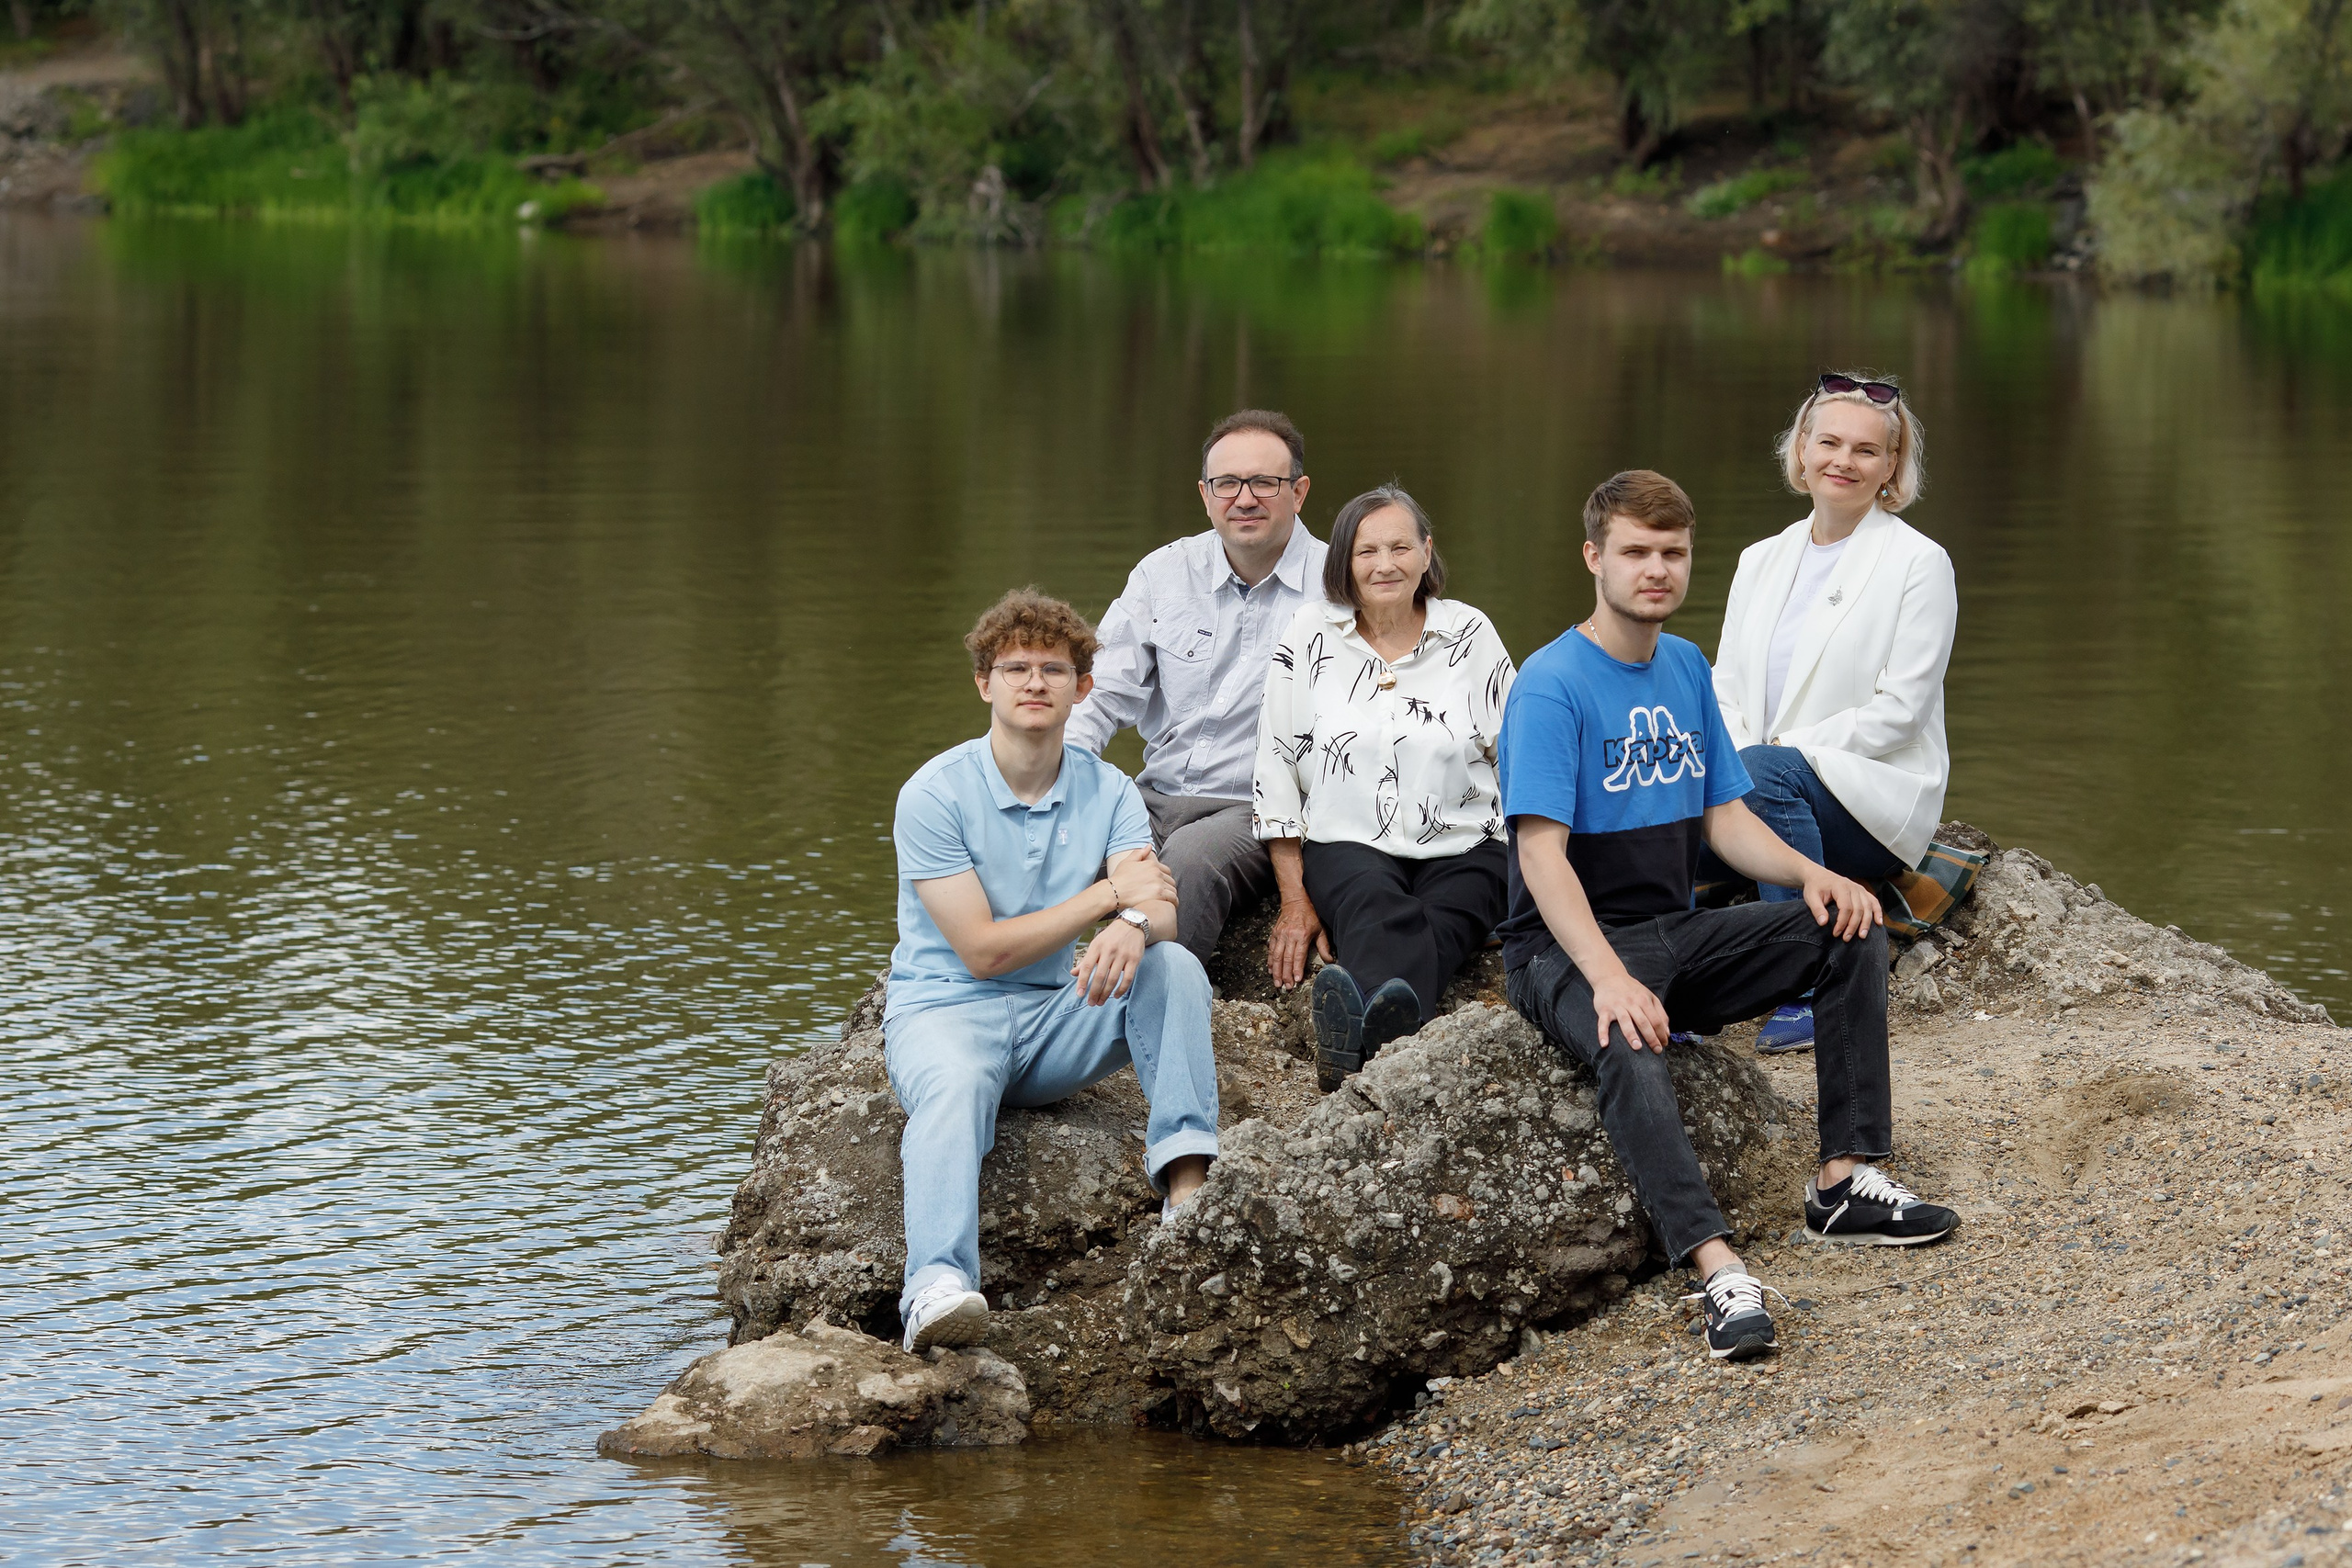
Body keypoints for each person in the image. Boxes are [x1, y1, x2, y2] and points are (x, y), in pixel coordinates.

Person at [1498, 470, 1957, 1363]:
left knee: (1848, 928)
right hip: (1565, 949)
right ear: (1594, 558)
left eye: (1671, 553)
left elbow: (1722, 817)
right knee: (1628, 1042)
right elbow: (1539, 857)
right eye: (1635, 552)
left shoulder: (1680, 669)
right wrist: (1608, 978)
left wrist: (1809, 873)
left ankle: (1845, 1179)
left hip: (1675, 932)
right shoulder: (1552, 686)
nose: (1656, 569)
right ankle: (1718, 1270)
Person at [885, 588, 1220, 1354]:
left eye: (1053, 669)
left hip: (1053, 1015)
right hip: (945, 1012)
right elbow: (982, 950)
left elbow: (1161, 907)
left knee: (1172, 964)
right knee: (959, 1085)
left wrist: (1133, 926)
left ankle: (1188, 1190)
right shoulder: (933, 794)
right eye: (1015, 668)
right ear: (984, 683)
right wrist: (1110, 897)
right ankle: (935, 1286)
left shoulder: (1110, 790)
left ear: (1084, 686)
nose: (1034, 682)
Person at [1710, 371, 1957, 1055]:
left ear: (1891, 469)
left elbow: (1901, 712)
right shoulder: (1759, 559)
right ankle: (1671, 978)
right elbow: (1726, 688)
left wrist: (1780, 751)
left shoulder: (1918, 563)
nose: (1843, 461)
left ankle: (1813, 982)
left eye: (1866, 451)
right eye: (1829, 443)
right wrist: (1725, 764)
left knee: (1764, 773)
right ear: (1801, 451)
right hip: (1756, 784)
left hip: (1868, 795)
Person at [1251, 486, 1518, 1090]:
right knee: (1374, 905)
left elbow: (1521, 750)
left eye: (1400, 546)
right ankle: (1391, 1043)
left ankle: (1355, 1047)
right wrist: (1296, 901)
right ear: (1344, 561)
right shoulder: (1310, 632)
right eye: (1367, 550)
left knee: (1447, 915)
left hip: (1467, 840)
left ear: (1427, 553)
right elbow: (1275, 764)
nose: (1385, 563)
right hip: (1348, 840)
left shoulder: (1470, 633)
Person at [1067, 410, 1330, 965]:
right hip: (1154, 795)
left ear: (1299, 492)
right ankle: (997, 996)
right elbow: (1101, 695)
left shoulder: (1337, 588)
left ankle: (1131, 1024)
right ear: (1205, 494)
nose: (1245, 498)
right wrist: (1057, 781)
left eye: (1265, 482)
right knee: (1040, 842)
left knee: (1186, 862)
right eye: (1227, 483)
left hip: (1255, 810)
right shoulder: (1163, 574)